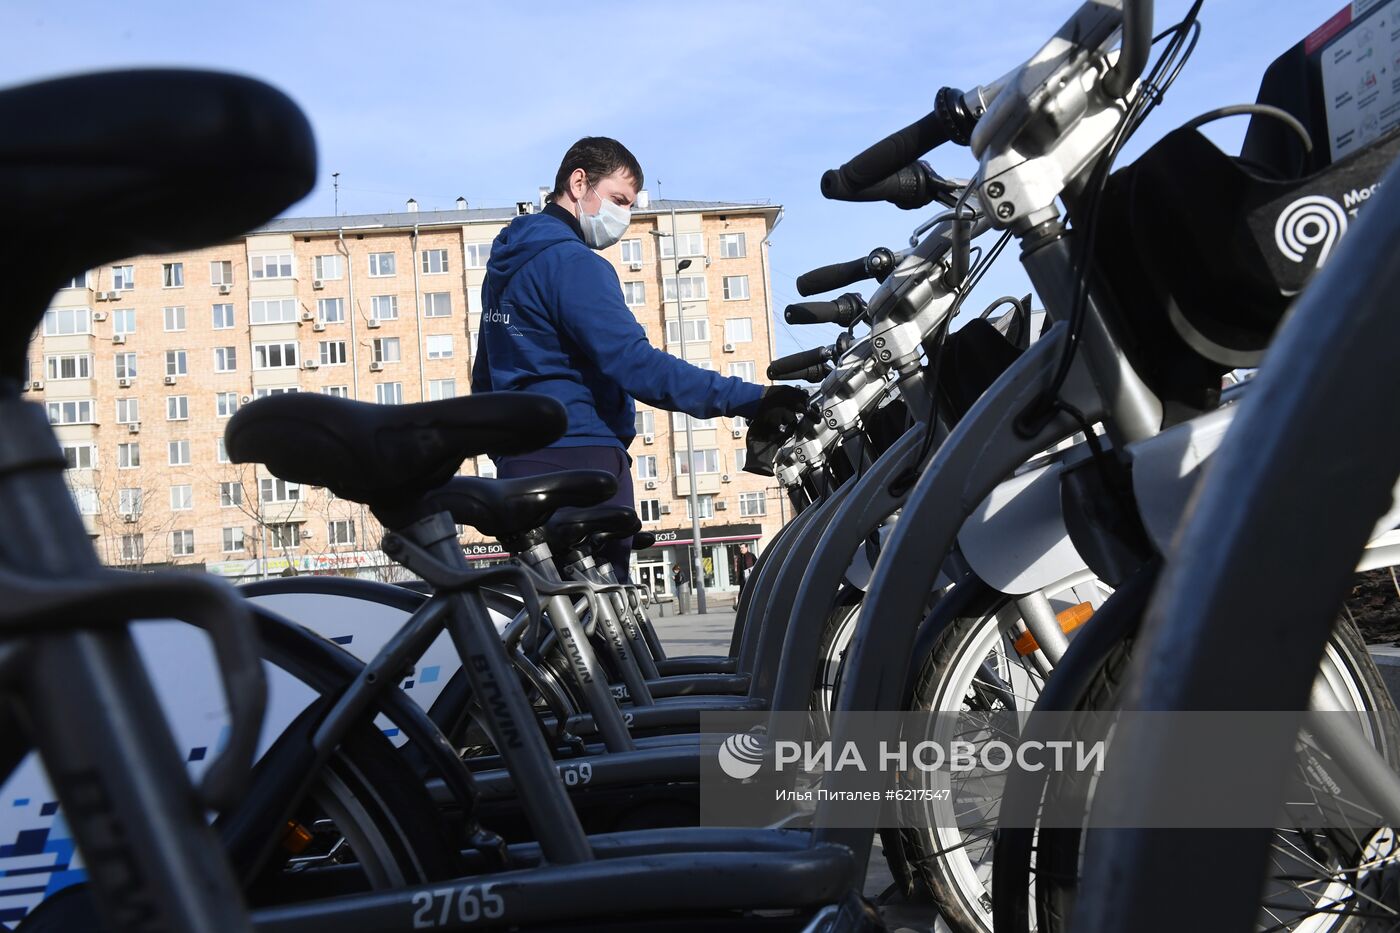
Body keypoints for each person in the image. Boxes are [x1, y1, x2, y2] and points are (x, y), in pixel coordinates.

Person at [471, 136, 806, 580]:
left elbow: (484, 380)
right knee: (604, 634)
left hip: (520, 471)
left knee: (555, 624)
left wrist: (510, 457)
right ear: (578, 183)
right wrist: (752, 400)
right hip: (581, 460)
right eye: (618, 200)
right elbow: (636, 365)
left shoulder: (505, 269)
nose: (623, 218)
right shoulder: (573, 264)